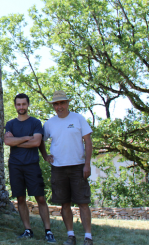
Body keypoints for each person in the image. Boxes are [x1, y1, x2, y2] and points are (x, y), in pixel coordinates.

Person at [39, 91, 94, 245]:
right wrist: (45, 156)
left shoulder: (78, 118)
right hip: (58, 168)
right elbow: (41, 140)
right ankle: (71, 236)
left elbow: (88, 141)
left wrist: (87, 164)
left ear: (67, 103)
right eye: (56, 104)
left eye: (62, 103)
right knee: (65, 203)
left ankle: (88, 237)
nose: (59, 106)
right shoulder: (50, 123)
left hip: (78, 166)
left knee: (83, 202)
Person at [4, 93, 55, 243]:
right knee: (20, 198)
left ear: (28, 105)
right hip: (15, 165)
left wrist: (16, 141)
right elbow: (7, 141)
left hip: (32, 164)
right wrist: (27, 137)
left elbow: (36, 143)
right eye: (18, 104)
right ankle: (27, 230)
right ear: (15, 106)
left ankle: (48, 231)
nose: (21, 107)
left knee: (40, 197)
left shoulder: (35, 122)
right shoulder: (11, 124)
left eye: (23, 104)